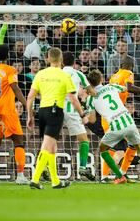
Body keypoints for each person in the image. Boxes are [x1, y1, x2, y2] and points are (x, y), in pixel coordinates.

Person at [86, 69, 140, 184]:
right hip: (129, 122)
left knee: (103, 150)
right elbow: (127, 88)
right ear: (101, 79)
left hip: (115, 127)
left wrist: (85, 112)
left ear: (89, 83)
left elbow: (91, 120)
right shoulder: (112, 86)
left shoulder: (91, 98)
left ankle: (119, 176)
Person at [27, 47, 86, 189]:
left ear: (47, 59)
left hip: (42, 111)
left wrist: (30, 115)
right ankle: (35, 180)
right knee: (47, 146)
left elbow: (30, 96)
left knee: (52, 147)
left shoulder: (40, 74)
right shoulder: (64, 76)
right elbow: (73, 99)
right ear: (60, 60)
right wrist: (82, 114)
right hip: (55, 111)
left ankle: (56, 181)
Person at [0, 44, 30, 185]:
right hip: (7, 111)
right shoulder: (10, 70)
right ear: (8, 55)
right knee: (18, 142)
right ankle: (20, 176)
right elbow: (15, 88)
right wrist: (26, 105)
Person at [62, 51, 97, 181]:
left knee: (51, 141)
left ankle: (44, 167)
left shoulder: (57, 73)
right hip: (72, 109)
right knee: (84, 140)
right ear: (74, 63)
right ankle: (82, 167)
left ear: (61, 62)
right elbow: (92, 91)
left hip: (56, 109)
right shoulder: (78, 74)